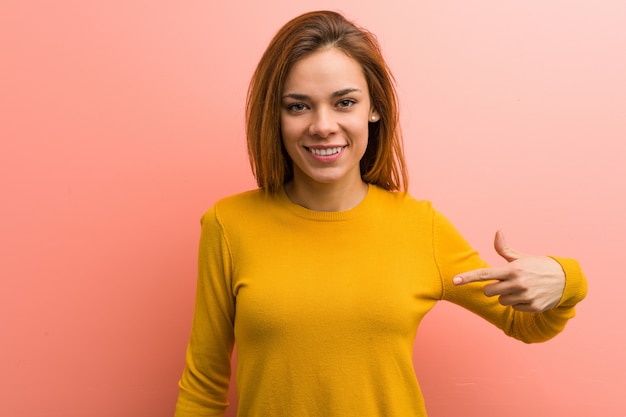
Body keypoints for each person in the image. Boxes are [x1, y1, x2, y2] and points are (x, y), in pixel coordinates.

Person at [174, 10, 587, 417]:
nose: (323, 125)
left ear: (373, 108)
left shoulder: (420, 227)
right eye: (298, 106)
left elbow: (527, 325)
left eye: (344, 102)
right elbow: (203, 385)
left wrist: (566, 278)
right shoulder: (229, 225)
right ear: (275, 117)